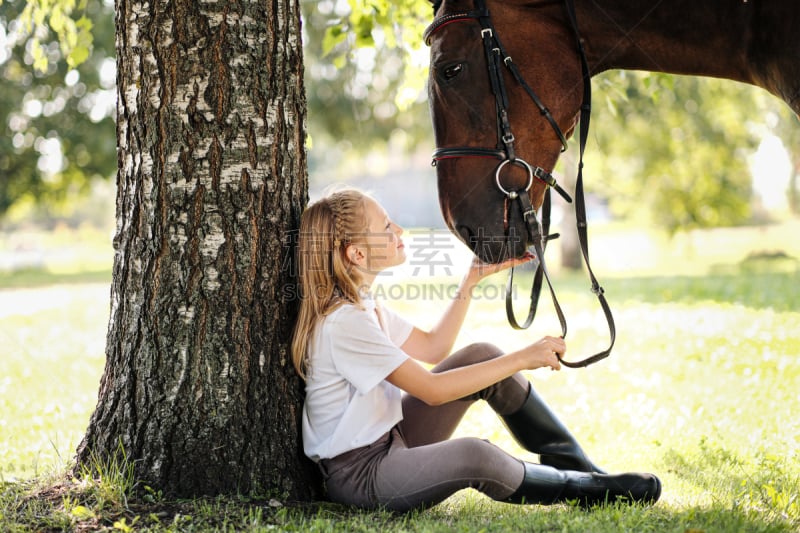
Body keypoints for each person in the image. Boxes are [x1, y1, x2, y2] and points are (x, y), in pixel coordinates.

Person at [291, 188, 661, 512]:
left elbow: (435, 347)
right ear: (356, 254)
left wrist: (472, 277)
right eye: (387, 227)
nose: (400, 231)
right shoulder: (345, 323)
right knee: (475, 455)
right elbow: (433, 391)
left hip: (392, 438)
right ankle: (585, 489)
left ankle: (586, 472)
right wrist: (522, 357)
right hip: (362, 474)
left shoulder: (363, 305)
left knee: (482, 353)